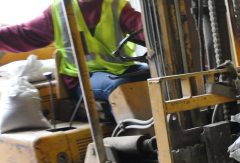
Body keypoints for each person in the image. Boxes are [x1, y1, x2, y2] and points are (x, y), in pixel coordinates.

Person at [0, 0, 147, 104]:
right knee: (119, 86)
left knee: (154, 75)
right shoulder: (58, 10)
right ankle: (131, 134)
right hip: (82, 78)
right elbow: (24, 34)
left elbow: (140, 27)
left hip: (120, 69)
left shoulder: (115, 5)